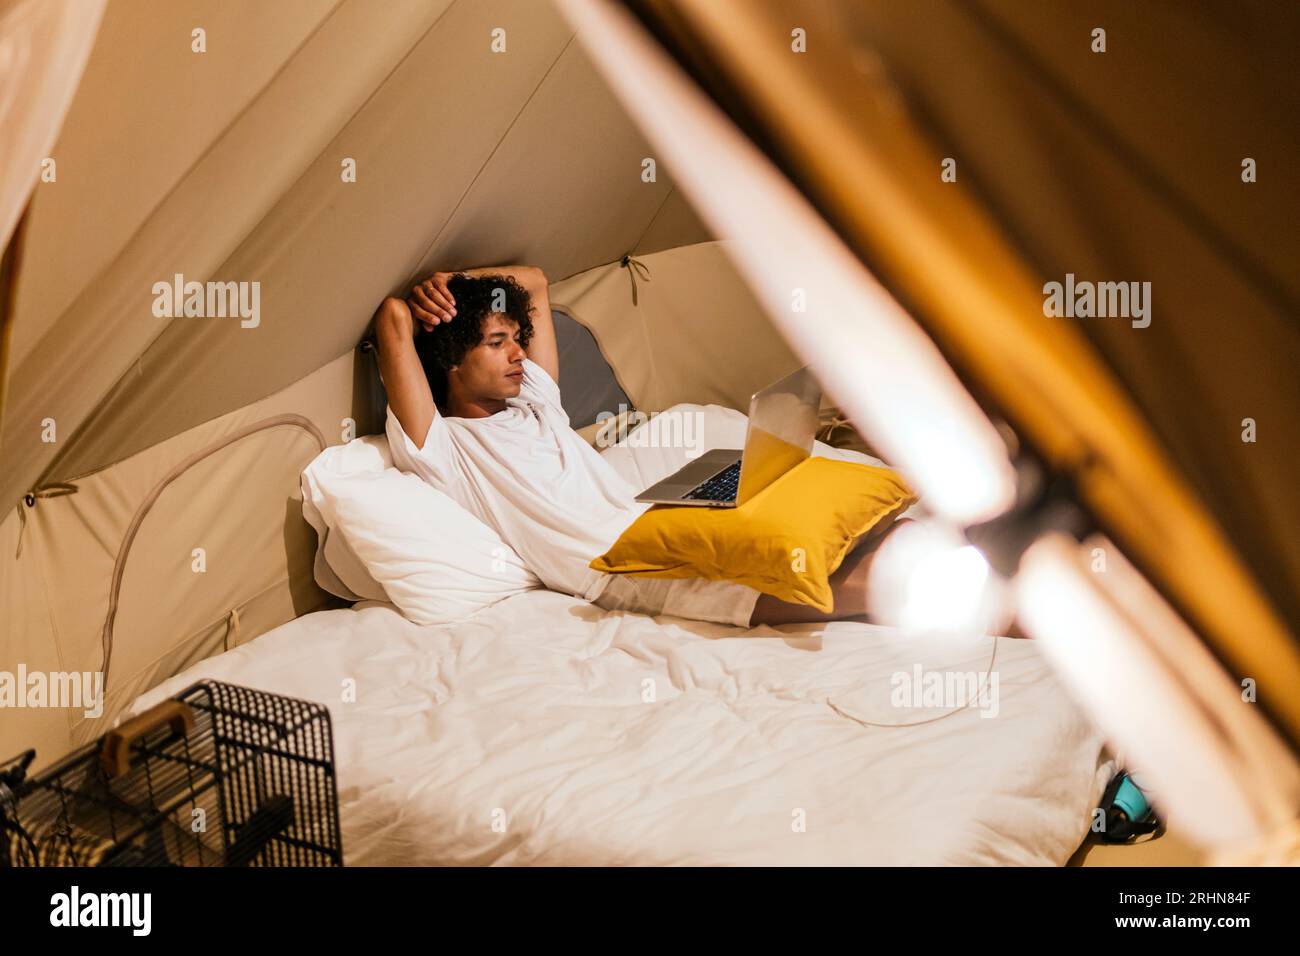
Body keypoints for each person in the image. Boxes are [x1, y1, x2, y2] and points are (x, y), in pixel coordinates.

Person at [373, 265, 903, 628]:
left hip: (657, 512)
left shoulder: (534, 399)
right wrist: (431, 299)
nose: (517, 353)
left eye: (516, 338)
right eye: (497, 342)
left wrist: (460, 283)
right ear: (450, 361)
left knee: (818, 497)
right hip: (620, 566)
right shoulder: (445, 444)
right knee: (848, 582)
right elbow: (394, 319)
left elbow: (533, 281)